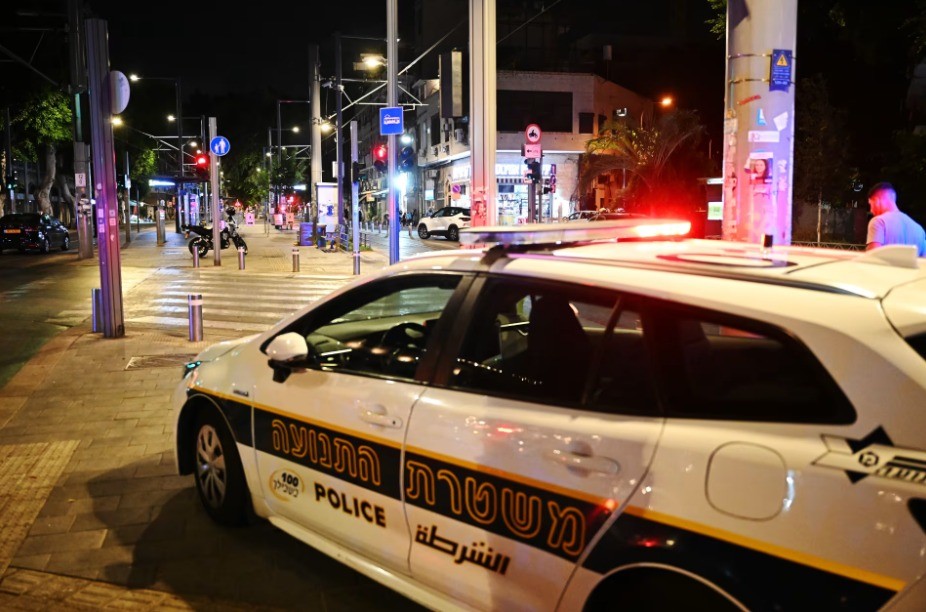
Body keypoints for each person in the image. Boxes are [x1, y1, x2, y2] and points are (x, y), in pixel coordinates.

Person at [866, 182, 926, 256]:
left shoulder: (879, 222)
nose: (871, 210)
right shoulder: (919, 230)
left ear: (877, 201)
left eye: (870, 204)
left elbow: (871, 259)